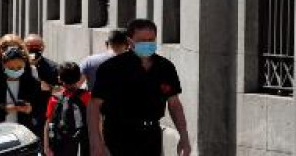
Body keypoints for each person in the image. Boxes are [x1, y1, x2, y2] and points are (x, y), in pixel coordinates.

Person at [89, 19, 191, 156]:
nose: (147, 44)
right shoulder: (111, 68)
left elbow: (174, 104)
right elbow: (94, 106)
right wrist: (96, 142)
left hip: (151, 136)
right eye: (142, 40)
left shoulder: (165, 67)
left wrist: (184, 136)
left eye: (151, 40)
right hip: (118, 136)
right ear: (130, 41)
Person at [0, 46, 46, 135]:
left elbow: (40, 109)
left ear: (25, 65)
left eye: (19, 67)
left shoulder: (33, 83)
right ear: (3, 65)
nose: (16, 70)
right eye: (11, 68)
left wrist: (30, 109)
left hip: (22, 132)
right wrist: (5, 108)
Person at [45, 62, 91, 156]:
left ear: (60, 79)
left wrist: (46, 146)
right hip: (83, 144)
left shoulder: (55, 99)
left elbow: (48, 123)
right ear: (79, 78)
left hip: (60, 145)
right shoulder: (87, 96)